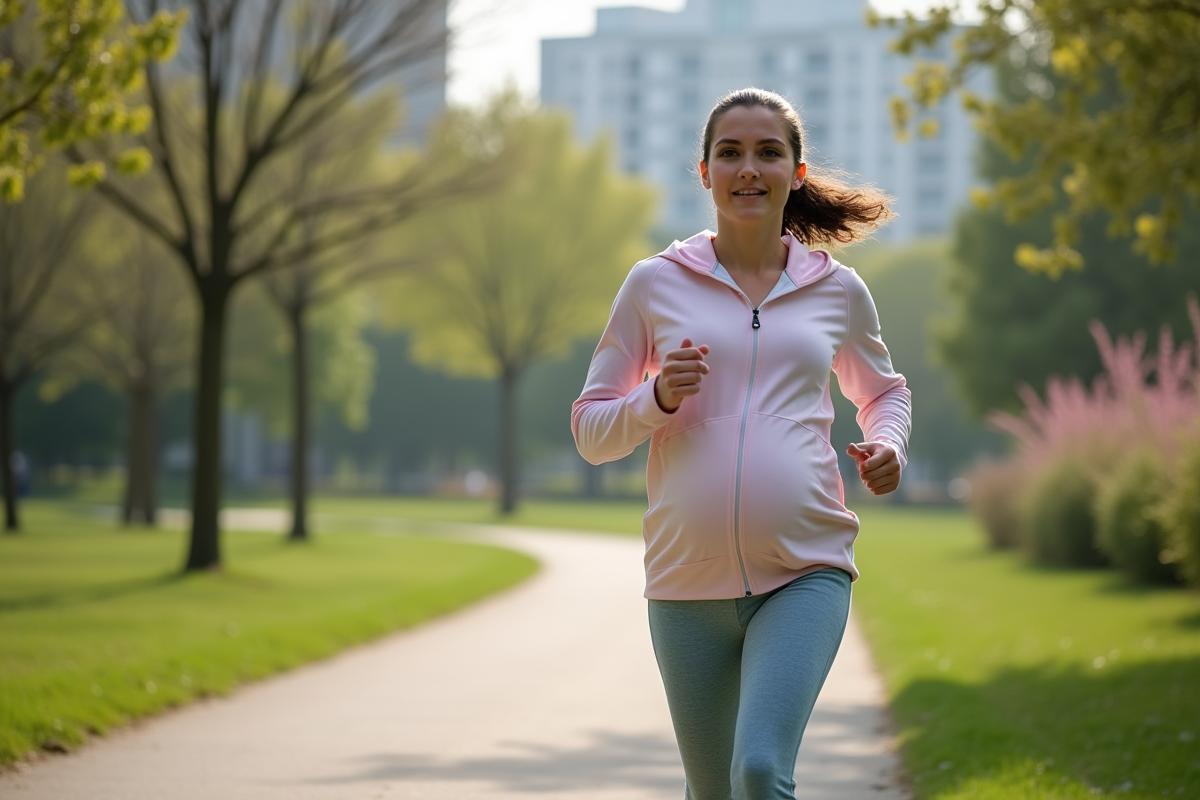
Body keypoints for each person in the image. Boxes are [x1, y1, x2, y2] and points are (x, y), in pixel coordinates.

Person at [570, 87, 912, 800]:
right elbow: (591, 431)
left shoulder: (838, 291)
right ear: (704, 172)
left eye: (767, 152)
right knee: (713, 791)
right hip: (684, 584)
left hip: (804, 573)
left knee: (759, 772)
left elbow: (883, 393)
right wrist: (657, 398)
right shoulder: (653, 285)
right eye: (730, 153)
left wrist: (890, 446)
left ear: (797, 172)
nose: (748, 168)